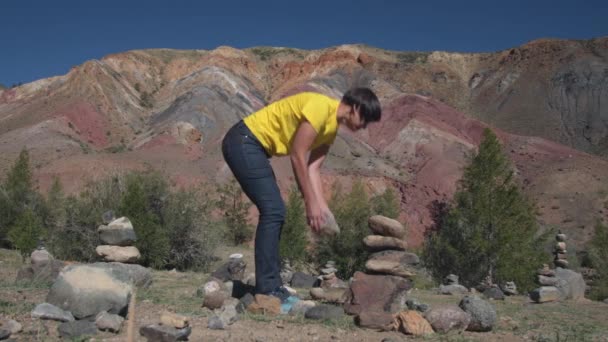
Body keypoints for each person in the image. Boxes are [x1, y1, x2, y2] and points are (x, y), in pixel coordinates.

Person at [221, 87, 381, 301]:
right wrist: (309, 203)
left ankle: (271, 285)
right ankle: (267, 289)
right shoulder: (321, 108)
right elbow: (297, 155)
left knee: (275, 211)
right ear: (356, 108)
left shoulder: (330, 129)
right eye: (366, 119)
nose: (364, 126)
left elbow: (313, 169)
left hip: (254, 148)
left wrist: (322, 209)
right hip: (244, 141)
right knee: (273, 210)